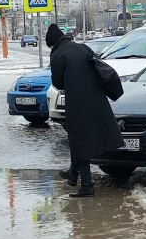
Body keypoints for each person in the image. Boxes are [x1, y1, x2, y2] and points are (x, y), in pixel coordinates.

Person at [46, 24, 124, 198]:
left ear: (52, 43)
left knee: (80, 142)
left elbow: (58, 84)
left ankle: (87, 187)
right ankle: (73, 173)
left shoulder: (58, 55)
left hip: (77, 103)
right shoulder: (82, 47)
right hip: (97, 100)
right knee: (78, 140)